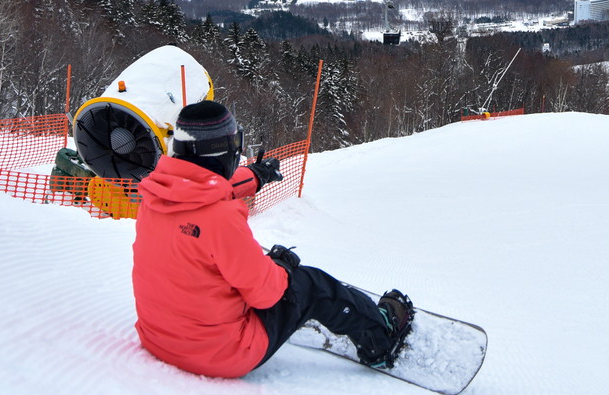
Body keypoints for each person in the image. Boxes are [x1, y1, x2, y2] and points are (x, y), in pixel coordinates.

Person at [131, 99, 413, 379]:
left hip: (158, 339)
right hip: (221, 354)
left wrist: (255, 176)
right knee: (310, 284)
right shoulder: (220, 219)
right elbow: (267, 295)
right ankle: (381, 339)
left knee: (223, 269)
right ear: (223, 151)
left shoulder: (156, 197)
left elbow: (202, 185)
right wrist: (283, 268)